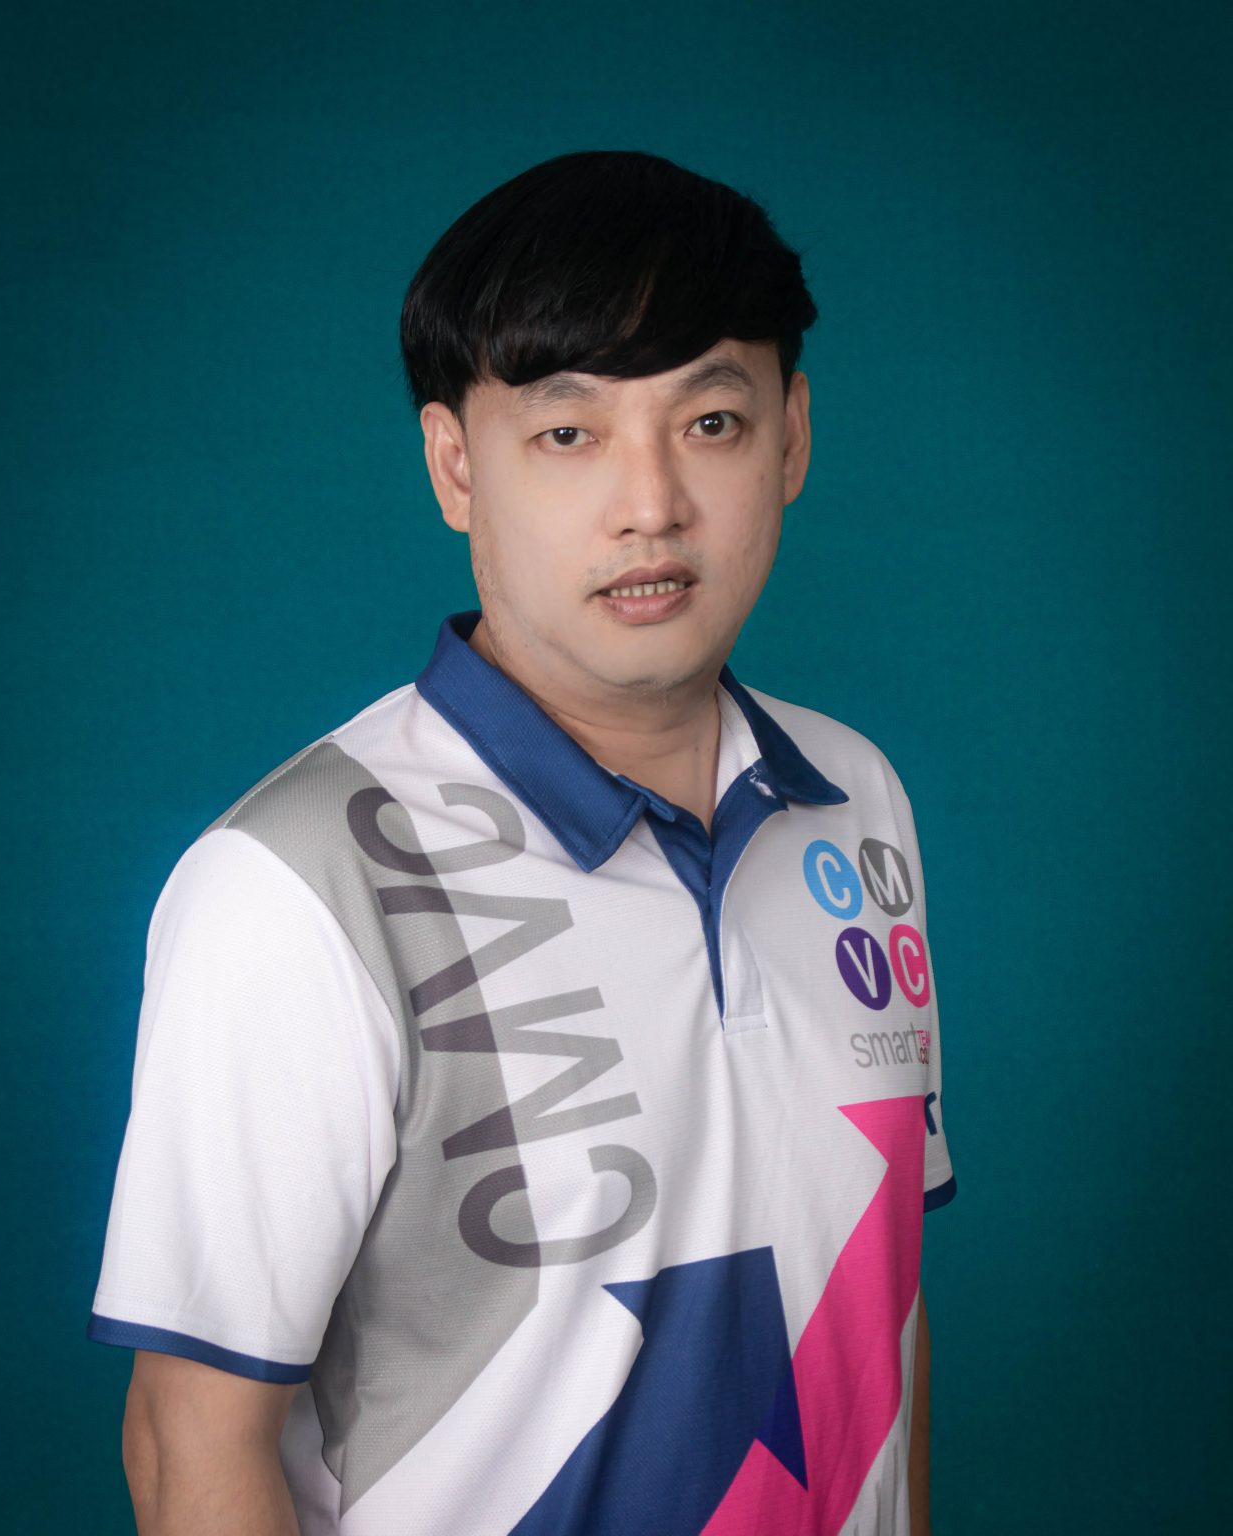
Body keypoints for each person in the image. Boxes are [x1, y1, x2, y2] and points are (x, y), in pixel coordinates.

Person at [87, 148, 957, 1536]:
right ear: (454, 466)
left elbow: (877, 1308)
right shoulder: (297, 884)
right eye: (567, 434)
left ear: (792, 436)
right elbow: (191, 1444)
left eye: (711, 421)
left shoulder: (857, 800)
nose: (651, 503)